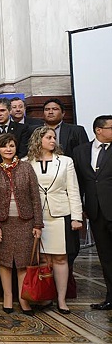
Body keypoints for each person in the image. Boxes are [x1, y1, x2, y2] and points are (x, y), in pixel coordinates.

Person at [26, 127, 82, 314]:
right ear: (38, 140)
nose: (53, 141)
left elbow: (73, 190)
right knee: (42, 258)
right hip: (36, 218)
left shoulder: (65, 162)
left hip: (60, 214)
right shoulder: (27, 162)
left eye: (54, 137)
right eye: (48, 137)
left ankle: (61, 299)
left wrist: (76, 217)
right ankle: (45, 296)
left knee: (60, 257)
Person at [0, 133, 43, 315]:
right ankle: (7, 296)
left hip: (25, 222)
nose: (8, 149)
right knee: (4, 262)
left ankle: (23, 298)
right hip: (3, 223)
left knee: (22, 262)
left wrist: (38, 224)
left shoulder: (26, 168)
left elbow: (36, 197)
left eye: (11, 145)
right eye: (4, 146)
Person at [73, 115, 112, 310]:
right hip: (95, 213)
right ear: (99, 130)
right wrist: (80, 208)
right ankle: (110, 297)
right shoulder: (80, 151)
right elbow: (78, 183)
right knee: (105, 256)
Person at [0, 98, 31, 163]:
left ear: (10, 111)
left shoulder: (22, 128)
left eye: (2, 110)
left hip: (16, 167)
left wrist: (11, 165)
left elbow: (23, 151)